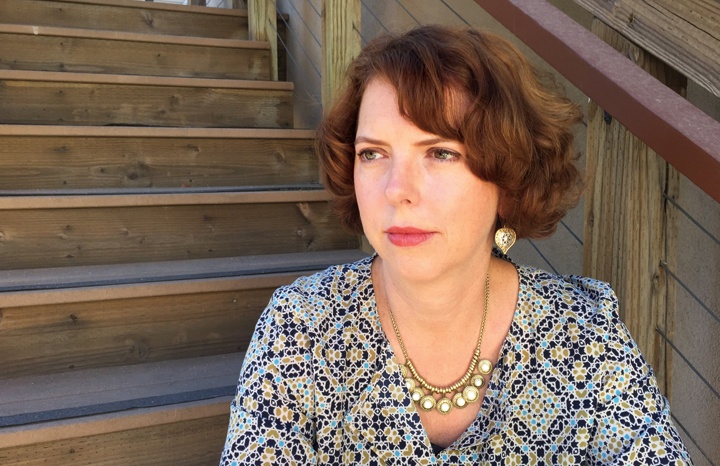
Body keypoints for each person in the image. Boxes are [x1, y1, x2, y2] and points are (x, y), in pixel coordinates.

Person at [220, 25, 692, 465]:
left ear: (508, 176)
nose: (395, 190)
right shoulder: (301, 328)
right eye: (373, 153)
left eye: (441, 152)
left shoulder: (585, 338)